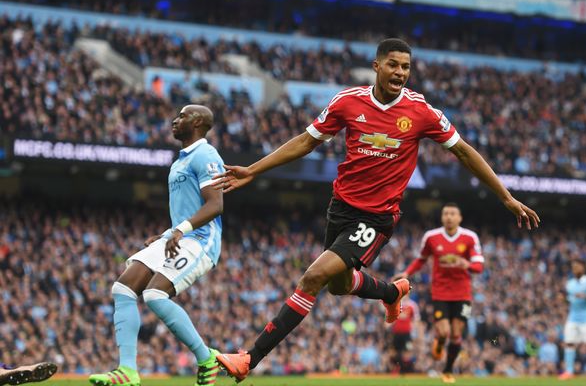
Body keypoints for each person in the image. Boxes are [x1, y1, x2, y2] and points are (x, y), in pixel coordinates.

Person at [211, 38, 540, 382]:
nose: (400, 72)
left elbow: (464, 152)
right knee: (338, 286)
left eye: (406, 67)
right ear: (377, 65)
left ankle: (250, 357)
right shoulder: (347, 102)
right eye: (394, 65)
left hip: (376, 217)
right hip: (340, 209)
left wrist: (505, 196)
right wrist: (254, 169)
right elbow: (307, 141)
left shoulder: (421, 111)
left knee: (313, 277)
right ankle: (390, 291)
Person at [89, 105, 225, 386]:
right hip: (178, 236)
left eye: (182, 116)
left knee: (153, 295)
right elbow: (187, 210)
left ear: (198, 122)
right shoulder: (180, 161)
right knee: (123, 287)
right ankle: (127, 371)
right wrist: (167, 234)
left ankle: (206, 358)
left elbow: (215, 204)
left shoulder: (206, 155)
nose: (175, 120)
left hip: (201, 240)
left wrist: (179, 230)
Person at [394, 203, 483, 383]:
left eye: (452, 214)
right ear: (442, 217)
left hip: (463, 293)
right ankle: (440, 341)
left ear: (459, 218)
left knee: (456, 333)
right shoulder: (432, 237)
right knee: (443, 332)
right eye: (446, 214)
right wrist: (407, 273)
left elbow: (478, 266)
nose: (449, 217)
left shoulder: (469, 237)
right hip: (440, 292)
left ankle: (448, 370)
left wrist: (466, 264)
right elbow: (421, 259)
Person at [557, 259, 586, 381]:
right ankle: (569, 371)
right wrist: (564, 300)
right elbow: (571, 300)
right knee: (569, 343)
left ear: (583, 267)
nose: (575, 269)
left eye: (577, 266)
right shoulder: (570, 283)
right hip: (573, 317)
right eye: (573, 267)